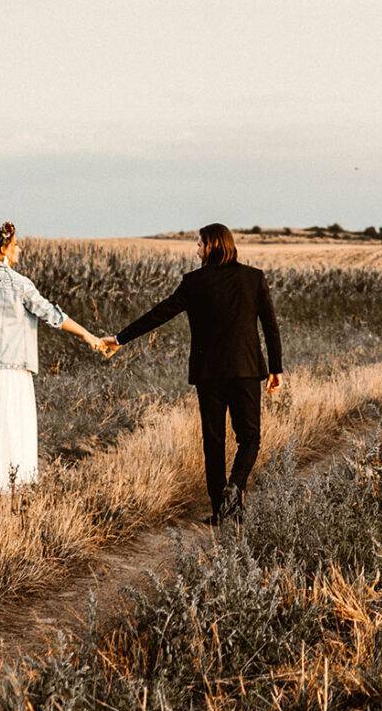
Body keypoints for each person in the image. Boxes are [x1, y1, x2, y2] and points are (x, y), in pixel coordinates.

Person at [112, 223, 282, 522]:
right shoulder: (253, 278)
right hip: (246, 369)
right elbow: (270, 326)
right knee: (250, 438)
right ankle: (235, 490)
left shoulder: (194, 282)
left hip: (209, 374)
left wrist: (120, 339)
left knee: (213, 441)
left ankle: (220, 510)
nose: (197, 249)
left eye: (199, 243)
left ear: (213, 245)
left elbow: (160, 313)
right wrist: (276, 367)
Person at [0, 222, 116, 497]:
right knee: (11, 424)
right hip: (13, 368)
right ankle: (3, 486)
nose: (19, 249)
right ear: (4, 249)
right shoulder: (20, 284)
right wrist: (89, 336)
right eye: (15, 245)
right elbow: (53, 316)